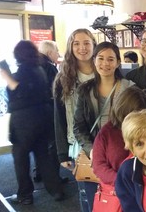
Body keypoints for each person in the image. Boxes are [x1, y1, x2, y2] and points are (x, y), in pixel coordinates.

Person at [0, 40, 64, 205]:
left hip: (24, 122)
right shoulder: (39, 69)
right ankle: (56, 190)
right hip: (43, 118)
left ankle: (25, 194)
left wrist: (6, 76)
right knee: (43, 156)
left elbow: (18, 90)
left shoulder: (23, 71)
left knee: (20, 158)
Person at [73, 41, 134, 211]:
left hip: (122, 155)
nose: (105, 63)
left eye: (110, 59)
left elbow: (137, 123)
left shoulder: (130, 89)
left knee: (123, 200)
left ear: (118, 62)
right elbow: (78, 126)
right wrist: (91, 149)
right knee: (95, 201)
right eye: (100, 58)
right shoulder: (85, 90)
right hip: (93, 155)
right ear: (94, 60)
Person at [53, 28, 97, 212]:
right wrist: (62, 153)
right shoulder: (64, 78)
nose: (82, 48)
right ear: (71, 47)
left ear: (94, 45)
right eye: (76, 43)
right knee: (87, 193)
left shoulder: (105, 70)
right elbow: (59, 117)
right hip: (79, 144)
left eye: (86, 42)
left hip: (106, 141)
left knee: (112, 191)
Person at [92, 86, 146, 212]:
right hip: (115, 194)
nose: (134, 118)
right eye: (131, 113)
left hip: (145, 192)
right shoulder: (106, 132)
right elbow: (98, 166)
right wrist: (122, 181)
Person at [32, 40, 61, 183]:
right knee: (53, 145)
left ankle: (39, 173)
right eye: (57, 51)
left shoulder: (32, 64)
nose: (59, 54)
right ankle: (54, 178)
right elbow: (56, 91)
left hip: (34, 113)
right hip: (48, 111)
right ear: (50, 52)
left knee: (40, 143)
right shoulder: (50, 68)